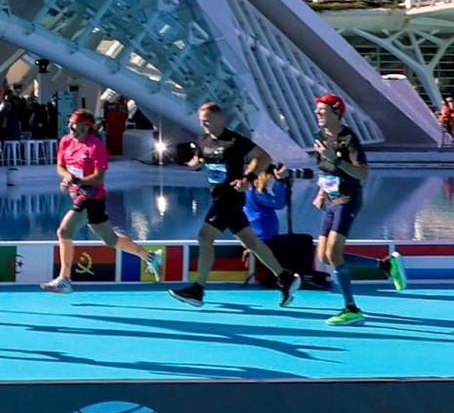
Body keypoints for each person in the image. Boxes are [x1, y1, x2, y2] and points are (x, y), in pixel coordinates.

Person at [168, 101, 297, 308]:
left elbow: (263, 157)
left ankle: (198, 289)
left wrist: (248, 177)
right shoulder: (203, 141)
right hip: (217, 197)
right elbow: (198, 162)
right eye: (202, 122)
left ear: (220, 118)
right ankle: (285, 276)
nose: (205, 125)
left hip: (231, 198)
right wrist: (188, 162)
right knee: (251, 242)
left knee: (204, 236)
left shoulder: (235, 141)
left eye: (208, 120)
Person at [42, 109, 163, 294]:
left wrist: (78, 181)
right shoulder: (66, 141)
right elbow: (61, 166)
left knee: (64, 231)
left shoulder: (95, 146)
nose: (74, 129)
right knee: (110, 239)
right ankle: (151, 257)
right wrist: (67, 176)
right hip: (76, 193)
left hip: (91, 197)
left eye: (79, 126)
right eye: (72, 125)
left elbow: (99, 178)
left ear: (87, 128)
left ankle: (64, 279)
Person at [310, 94, 405, 327]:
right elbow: (323, 168)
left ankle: (351, 308)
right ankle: (385, 265)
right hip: (331, 199)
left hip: (348, 198)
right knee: (323, 256)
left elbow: (363, 173)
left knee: (333, 254)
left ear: (337, 112)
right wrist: (321, 192)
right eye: (317, 111)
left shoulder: (349, 138)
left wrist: (338, 161)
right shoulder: (319, 136)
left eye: (322, 111)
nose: (317, 114)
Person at [244, 164, 291, 240]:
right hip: (264, 237)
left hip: (257, 234)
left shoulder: (247, 190)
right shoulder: (256, 193)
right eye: (269, 176)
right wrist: (279, 181)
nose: (270, 180)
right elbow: (278, 204)